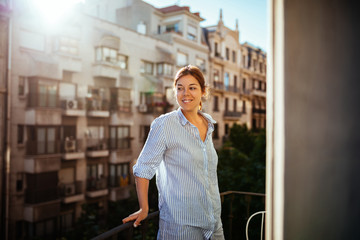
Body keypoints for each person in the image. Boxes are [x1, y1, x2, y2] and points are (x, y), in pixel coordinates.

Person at [122, 65, 224, 240]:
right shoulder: (165, 125)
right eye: (180, 88)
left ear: (202, 91)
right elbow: (143, 168)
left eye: (192, 87)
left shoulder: (208, 124)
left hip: (213, 223)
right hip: (181, 227)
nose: (186, 93)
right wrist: (144, 208)